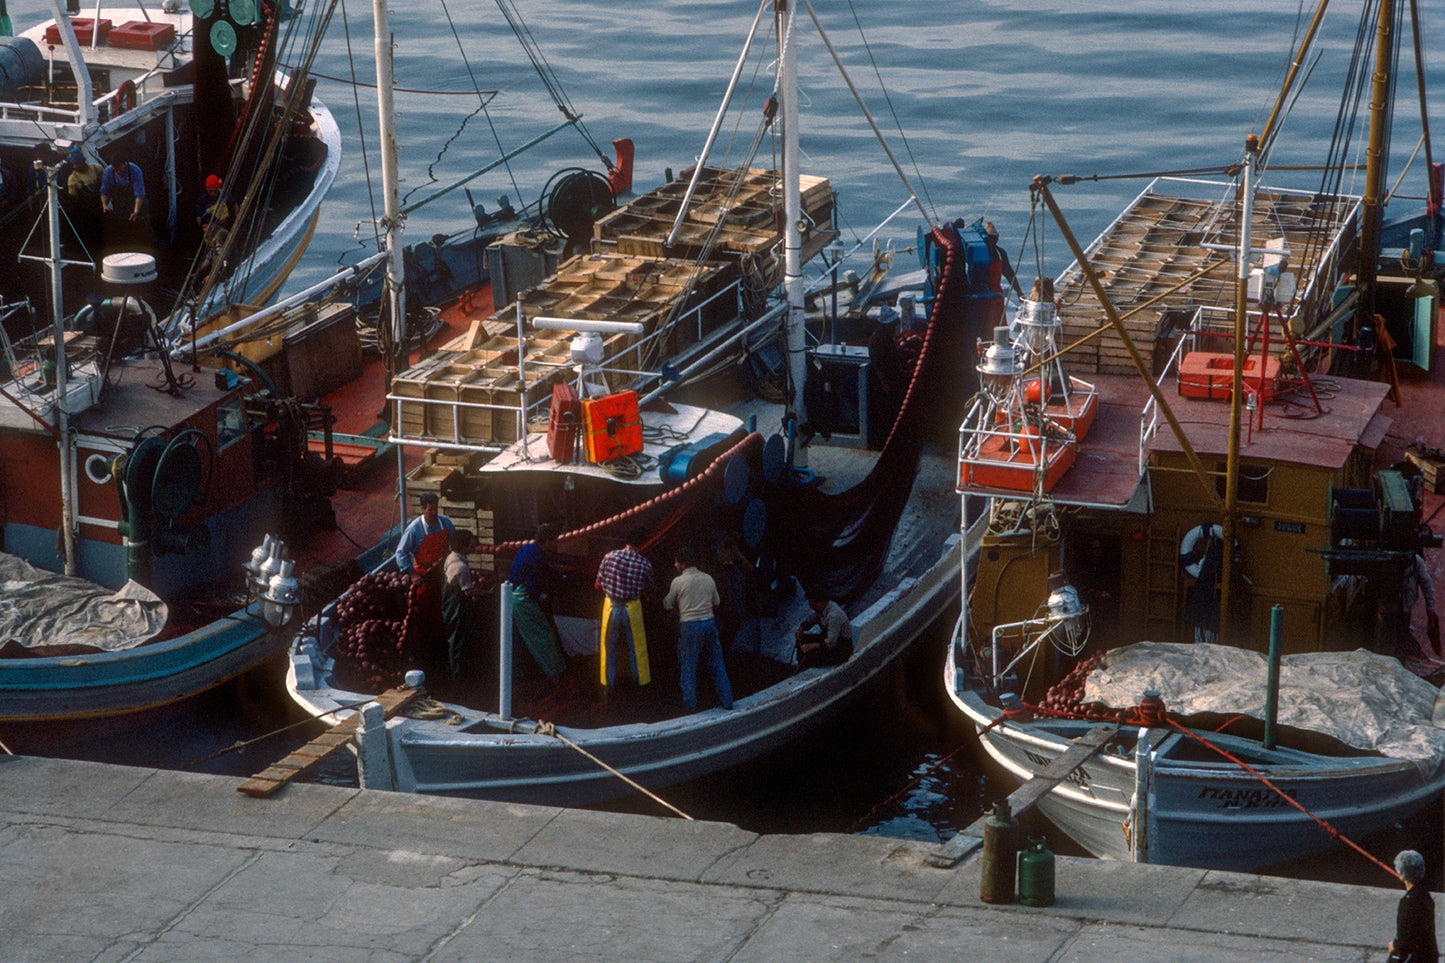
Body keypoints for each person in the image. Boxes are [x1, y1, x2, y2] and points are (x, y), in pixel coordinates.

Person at [663, 545, 733, 711]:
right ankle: (728, 701)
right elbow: (717, 602)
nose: (674, 564)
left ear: (681, 564)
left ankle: (690, 707)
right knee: (717, 664)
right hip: (709, 623)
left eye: (675, 562)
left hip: (690, 626)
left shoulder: (678, 582)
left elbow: (667, 604)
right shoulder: (708, 578)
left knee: (688, 667)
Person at [595, 526, 654, 690]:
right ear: (641, 543)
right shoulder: (644, 563)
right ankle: (640, 683)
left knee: (609, 647)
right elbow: (650, 589)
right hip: (632, 608)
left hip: (612, 606)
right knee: (637, 648)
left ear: (625, 541)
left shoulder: (609, 556)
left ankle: (608, 684)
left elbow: (597, 584)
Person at [507, 523, 567, 681]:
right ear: (546, 541)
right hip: (522, 600)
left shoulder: (529, 549)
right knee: (544, 636)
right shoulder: (538, 558)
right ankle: (555, 674)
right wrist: (545, 596)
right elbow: (532, 591)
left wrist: (561, 576)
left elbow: (545, 569)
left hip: (515, 596)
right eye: (553, 541)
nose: (555, 544)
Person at [442, 528, 483, 682]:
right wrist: (488, 593)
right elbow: (469, 592)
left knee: (454, 642)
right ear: (463, 546)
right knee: (457, 644)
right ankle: (458, 681)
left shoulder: (451, 557)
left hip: (449, 607)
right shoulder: (461, 567)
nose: (473, 548)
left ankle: (458, 676)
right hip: (457, 610)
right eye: (470, 545)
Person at [1388, 849, 1438, 963]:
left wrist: (1394, 946)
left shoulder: (1407, 902)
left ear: (1402, 874)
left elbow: (1404, 940)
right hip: (1428, 956)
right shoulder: (1426, 896)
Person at [394, 490, 455, 575]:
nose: (434, 512)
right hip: (424, 574)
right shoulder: (414, 529)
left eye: (435, 509)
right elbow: (401, 553)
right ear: (422, 509)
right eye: (430, 510)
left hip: (444, 570)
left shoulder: (445, 522)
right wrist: (413, 574)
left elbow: (456, 541)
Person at [794, 592, 853, 668]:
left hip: (841, 647)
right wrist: (802, 628)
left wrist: (811, 646)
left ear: (822, 602)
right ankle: (801, 663)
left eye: (813, 606)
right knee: (802, 639)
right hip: (828, 638)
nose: (811, 608)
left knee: (811, 654)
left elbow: (831, 643)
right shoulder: (822, 609)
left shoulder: (834, 616)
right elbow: (812, 619)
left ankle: (806, 666)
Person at [100, 154, 146, 222]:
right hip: (119, 205)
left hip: (135, 203)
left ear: (125, 163)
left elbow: (139, 193)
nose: (118, 172)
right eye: (116, 169)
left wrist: (136, 211)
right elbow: (104, 191)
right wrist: (104, 205)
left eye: (120, 169)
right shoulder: (108, 172)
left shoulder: (135, 170)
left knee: (140, 222)